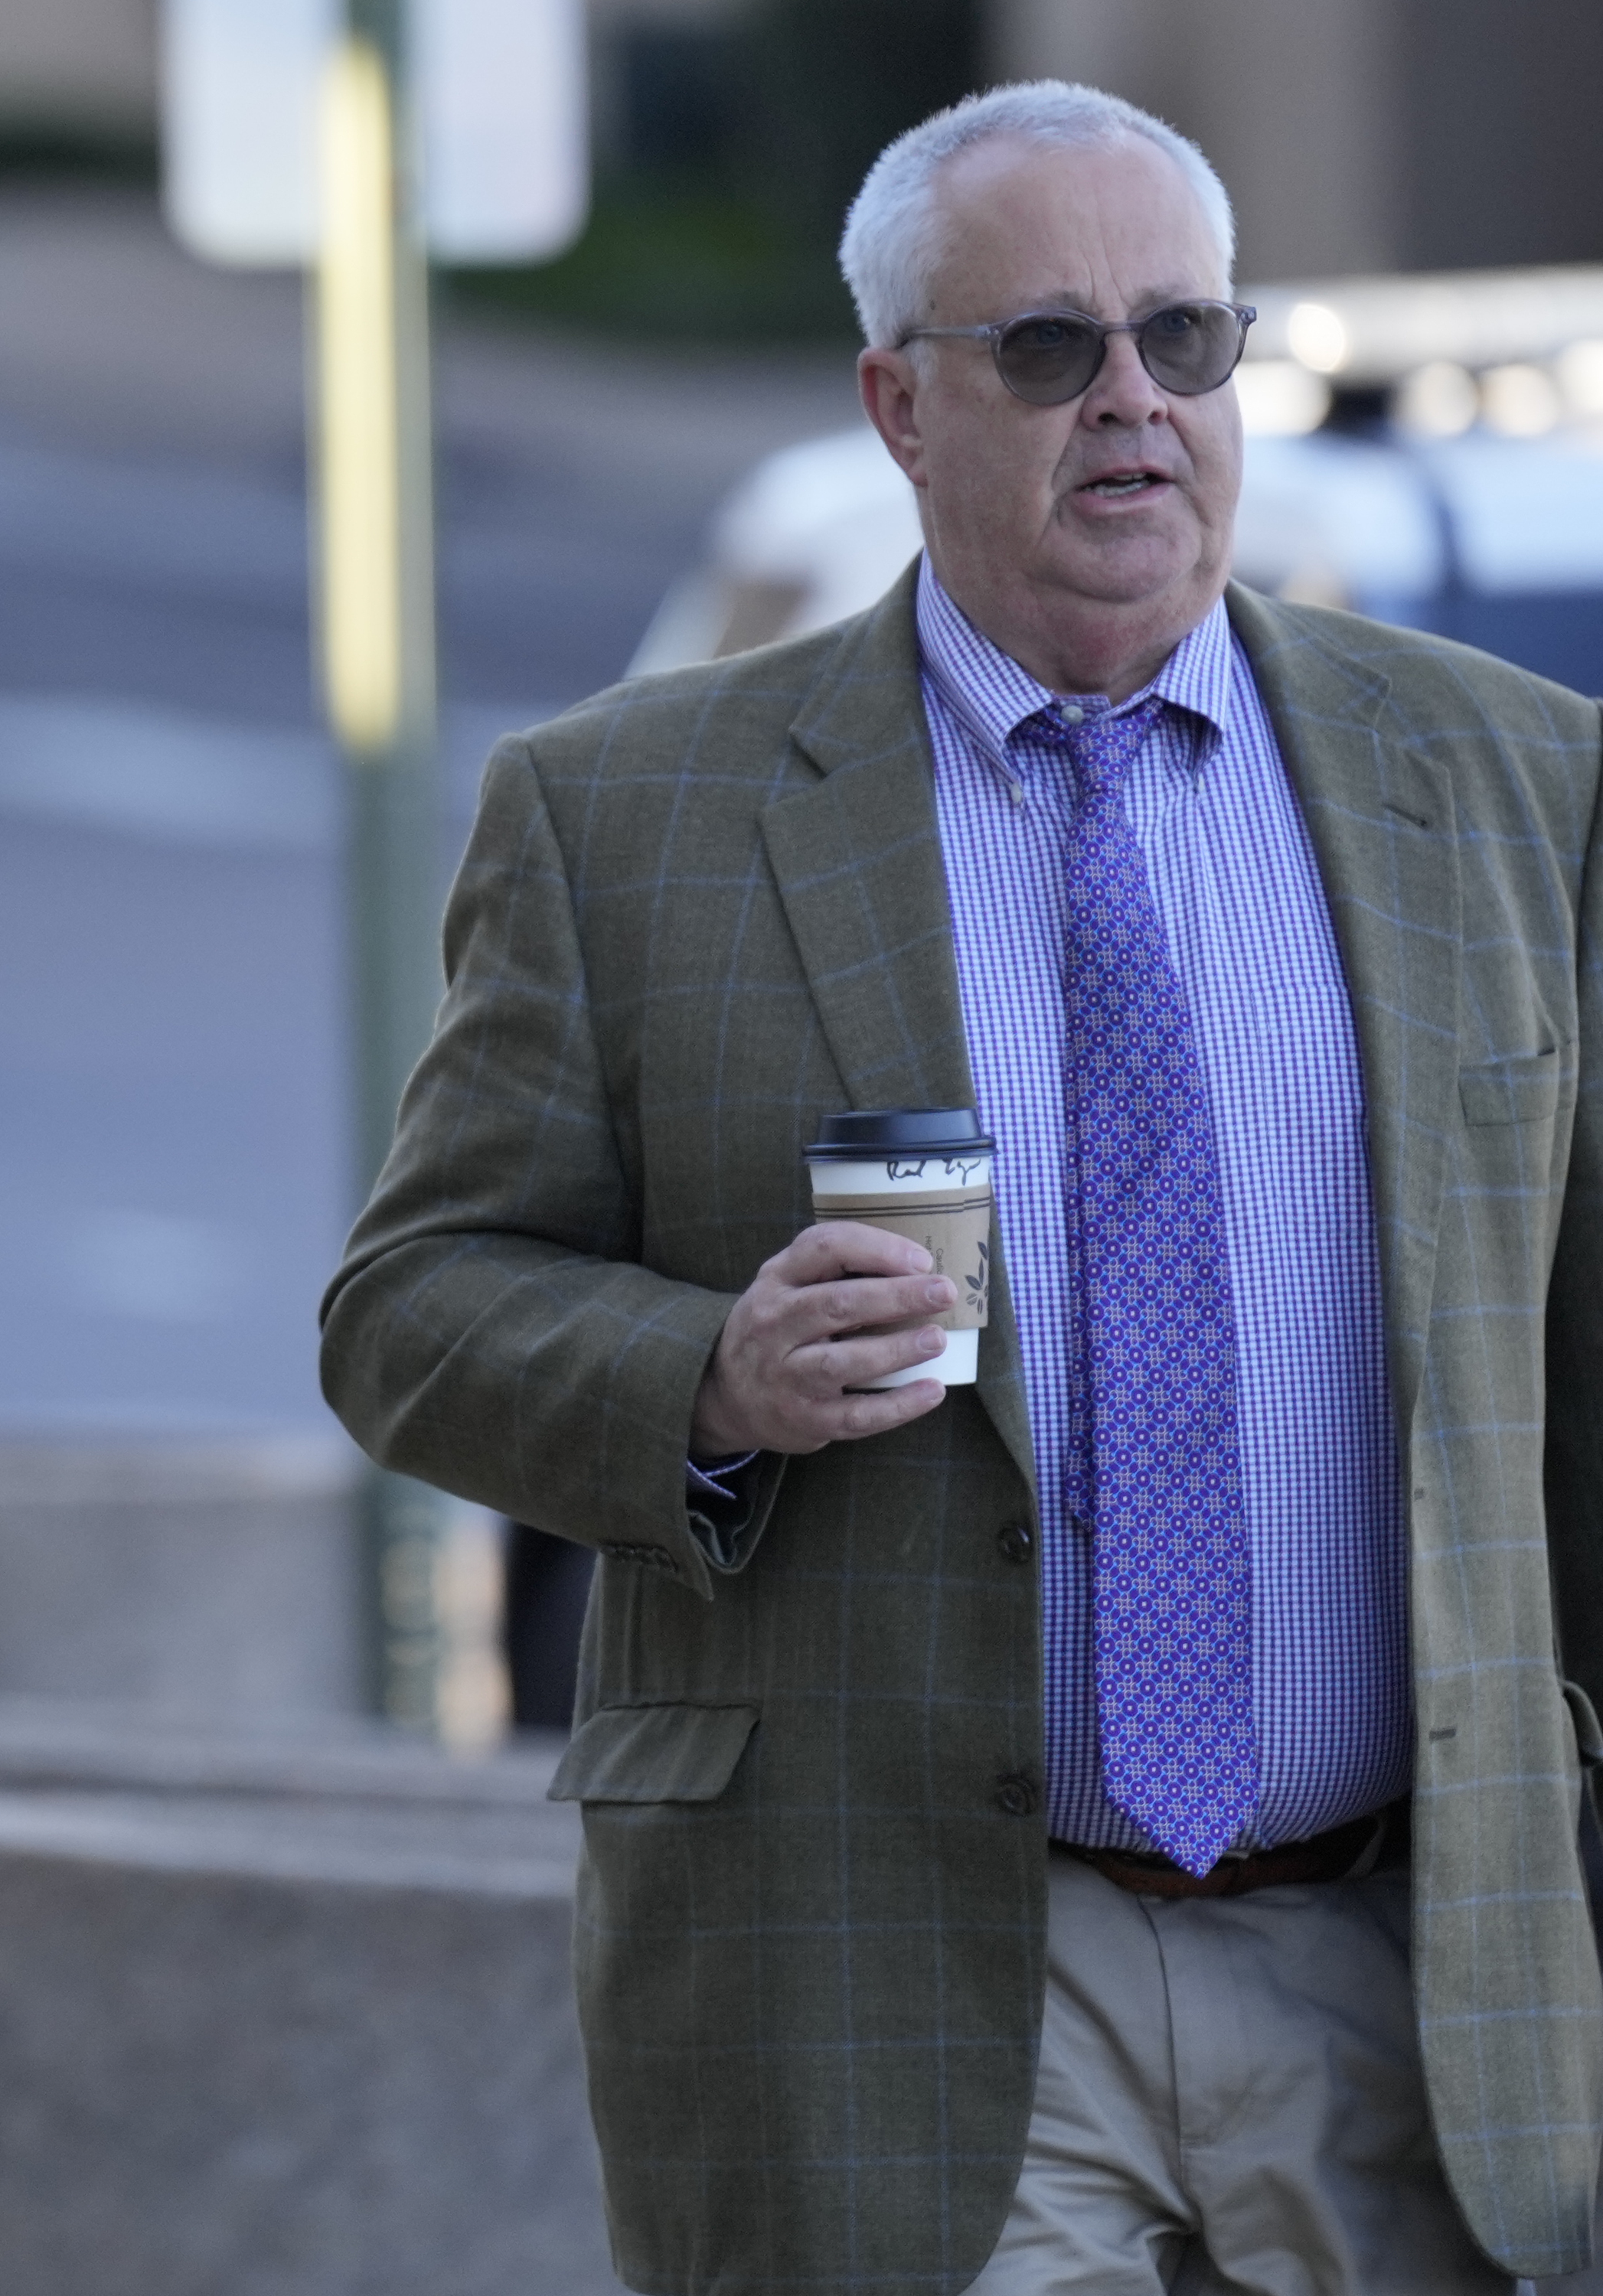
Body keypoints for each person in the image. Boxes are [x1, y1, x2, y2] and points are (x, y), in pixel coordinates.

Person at [324, 79, 1603, 2295]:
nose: (1129, 404)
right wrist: (702, 1378)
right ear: (893, 404)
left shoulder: (1510, 779)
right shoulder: (627, 815)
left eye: (1181, 342)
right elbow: (411, 1311)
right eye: (1045, 351)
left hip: (1414, 1967)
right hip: (903, 1973)